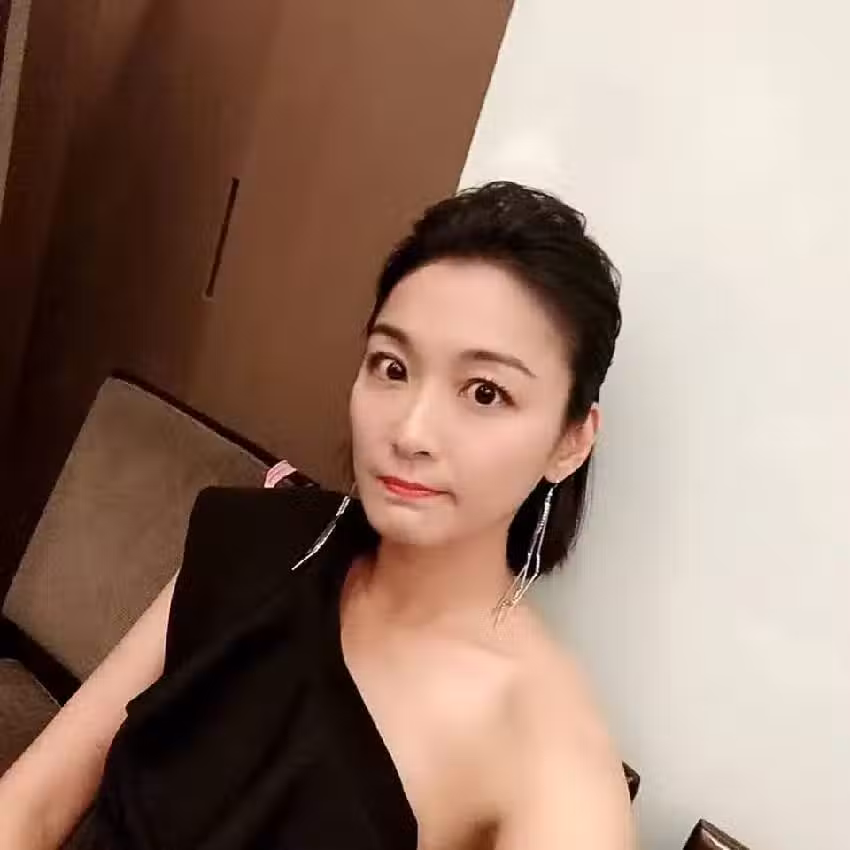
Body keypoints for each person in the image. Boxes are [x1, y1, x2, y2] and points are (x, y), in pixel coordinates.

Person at [0, 182, 636, 849]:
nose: (411, 431)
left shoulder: (550, 755)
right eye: (392, 367)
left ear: (570, 442)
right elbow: (34, 803)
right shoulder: (258, 541)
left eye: (485, 392)